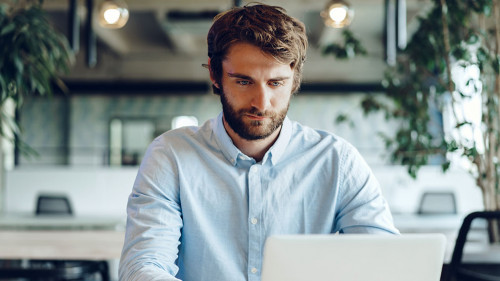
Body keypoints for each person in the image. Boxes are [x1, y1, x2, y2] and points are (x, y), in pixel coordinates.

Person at [119, 3, 399, 281]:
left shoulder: (337, 160)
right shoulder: (171, 155)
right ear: (215, 76)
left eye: (276, 83)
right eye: (243, 81)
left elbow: (386, 263)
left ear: (294, 81)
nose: (261, 104)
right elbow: (143, 266)